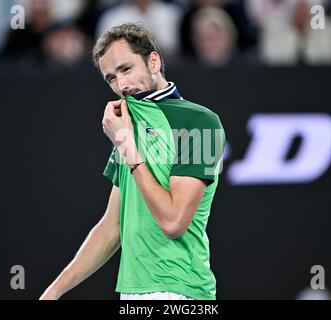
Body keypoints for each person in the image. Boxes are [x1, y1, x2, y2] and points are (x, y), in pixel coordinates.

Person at [40, 23, 225, 300]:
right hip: (132, 292)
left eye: (126, 69)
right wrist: (53, 293)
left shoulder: (200, 122)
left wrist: (126, 144)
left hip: (181, 291)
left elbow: (174, 223)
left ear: (153, 61)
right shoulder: (129, 125)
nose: (121, 86)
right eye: (111, 78)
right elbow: (112, 226)